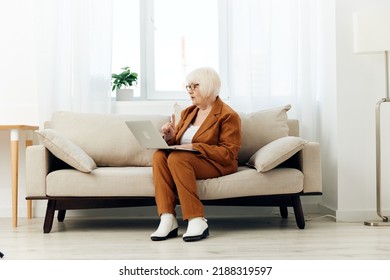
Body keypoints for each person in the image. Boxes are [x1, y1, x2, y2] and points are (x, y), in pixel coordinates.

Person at [151, 67, 242, 242]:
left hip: (214, 163)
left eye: (195, 86)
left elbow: (229, 153)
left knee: (178, 158)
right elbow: (177, 146)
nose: (190, 90)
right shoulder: (187, 112)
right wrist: (169, 137)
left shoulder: (228, 115)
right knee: (159, 156)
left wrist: (195, 146)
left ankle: (196, 219)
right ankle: (167, 218)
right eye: (188, 86)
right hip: (185, 161)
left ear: (209, 87)